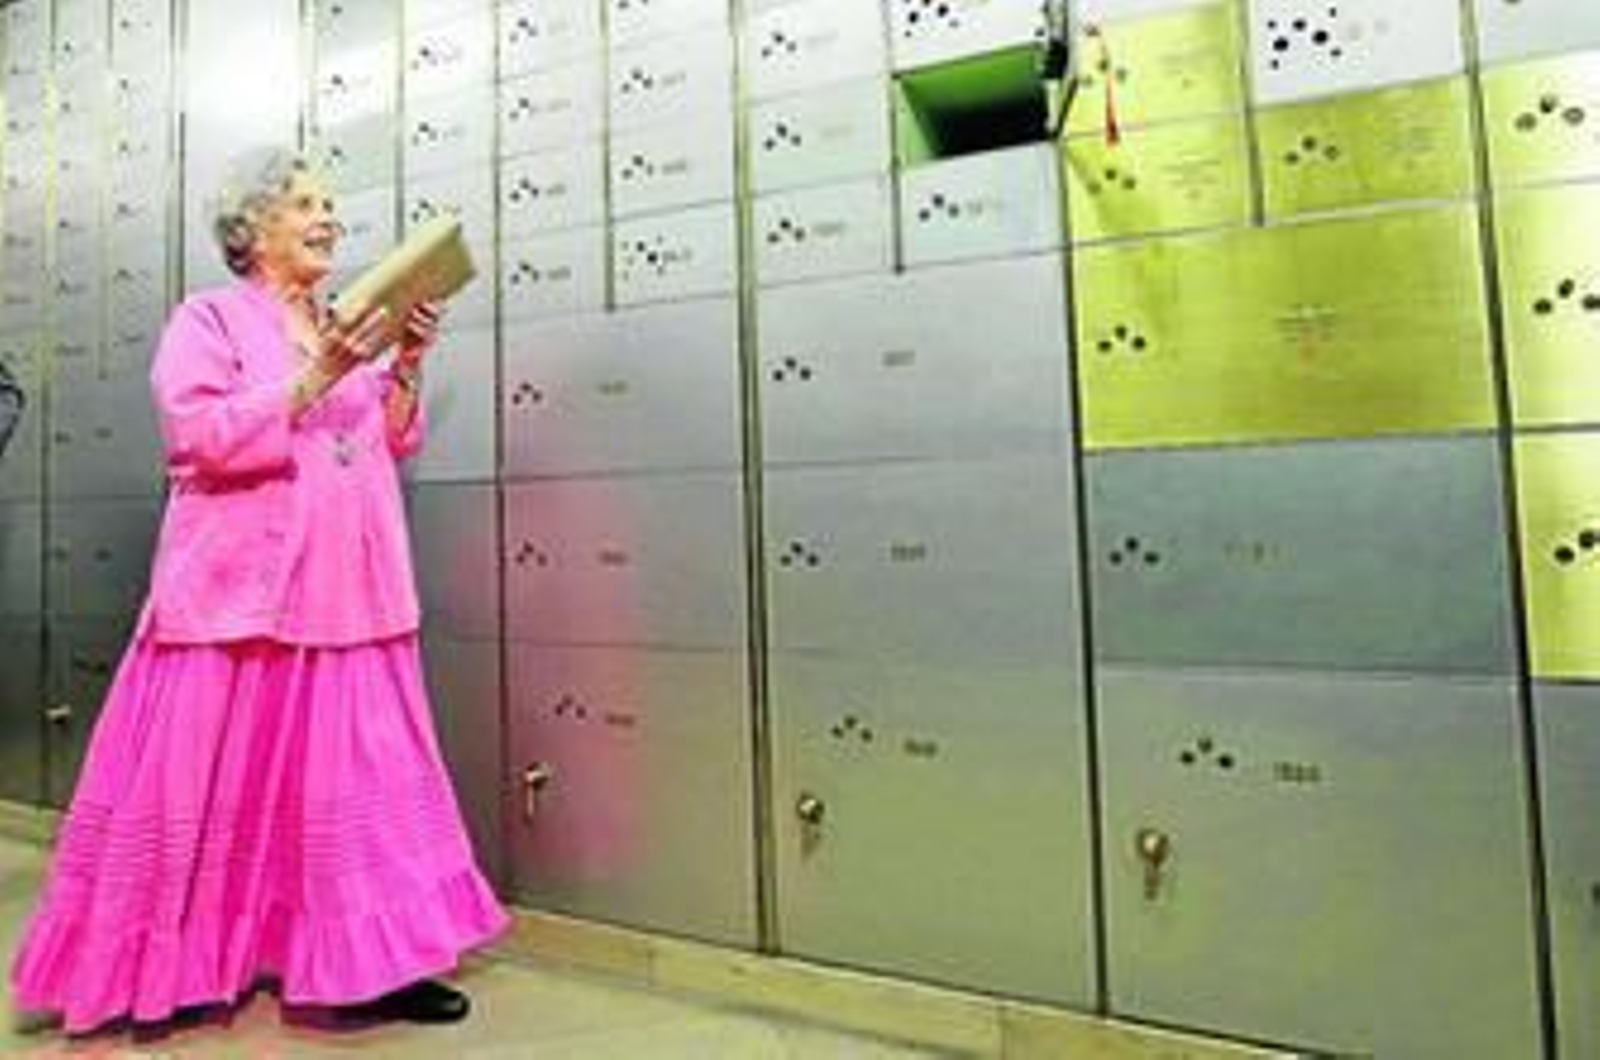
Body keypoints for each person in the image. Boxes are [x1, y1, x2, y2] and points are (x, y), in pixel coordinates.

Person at [8, 147, 508, 1035]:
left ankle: (376, 963)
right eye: (306, 204)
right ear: (254, 229)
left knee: (359, 779)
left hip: (353, 591)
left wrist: (406, 363)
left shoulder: (342, 322)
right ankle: (199, 960)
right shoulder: (208, 319)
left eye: (330, 204)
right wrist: (318, 374)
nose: (329, 218)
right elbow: (194, 434)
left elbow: (387, 440)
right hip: (240, 594)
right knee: (209, 780)